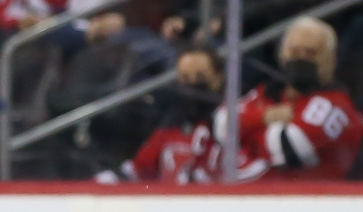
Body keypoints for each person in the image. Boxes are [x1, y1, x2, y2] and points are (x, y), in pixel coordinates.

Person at [215, 16, 363, 181]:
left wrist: (244, 136)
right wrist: (266, 117)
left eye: (310, 53)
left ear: (330, 60)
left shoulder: (337, 105)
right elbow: (221, 123)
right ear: (282, 55)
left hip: (316, 200)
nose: (300, 59)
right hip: (255, 198)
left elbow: (288, 145)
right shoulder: (268, 92)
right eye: (294, 51)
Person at [96, 45, 226, 184]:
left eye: (200, 76)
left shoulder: (231, 123)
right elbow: (139, 167)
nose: (192, 84)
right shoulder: (174, 120)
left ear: (218, 78)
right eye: (185, 77)